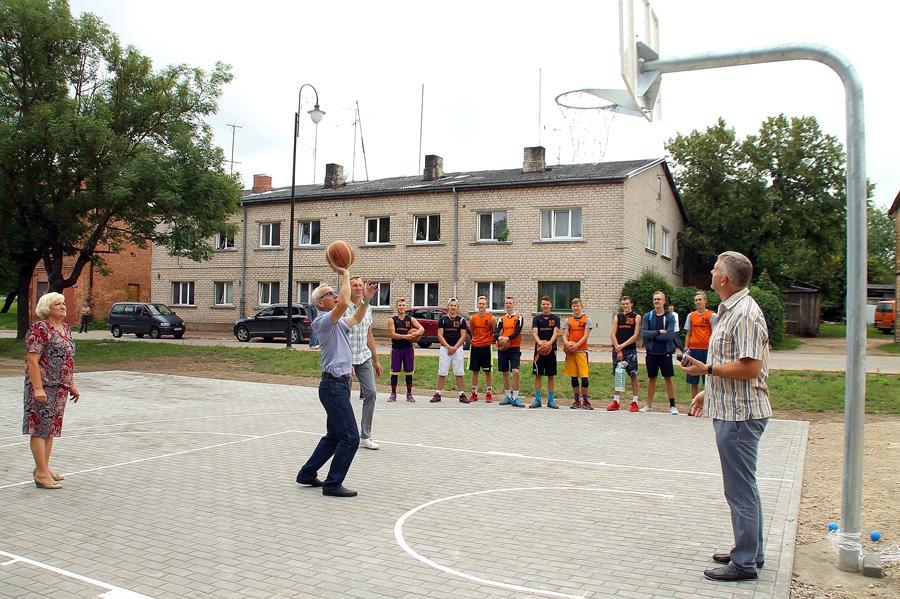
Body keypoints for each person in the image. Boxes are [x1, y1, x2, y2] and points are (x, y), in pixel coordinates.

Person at [682, 251, 771, 581]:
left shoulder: (744, 313)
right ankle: (752, 550)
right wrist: (710, 387)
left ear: (725, 280)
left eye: (716, 268)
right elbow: (734, 363)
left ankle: (745, 562)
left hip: (740, 417)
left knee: (739, 490)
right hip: (732, 409)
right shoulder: (730, 310)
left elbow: (751, 367)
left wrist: (708, 370)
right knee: (745, 487)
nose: (711, 270)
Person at [296, 269, 376, 497]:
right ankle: (332, 484)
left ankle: (307, 474)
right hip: (333, 387)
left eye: (334, 293)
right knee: (350, 437)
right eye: (329, 294)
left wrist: (366, 301)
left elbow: (358, 317)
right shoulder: (323, 320)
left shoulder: (338, 322)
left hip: (338, 385)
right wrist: (344, 273)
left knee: (334, 436)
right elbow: (343, 303)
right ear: (320, 303)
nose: (335, 296)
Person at [24, 292, 80, 489]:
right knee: (39, 428)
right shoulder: (40, 328)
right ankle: (41, 473)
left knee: (50, 429)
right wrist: (38, 389)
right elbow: (32, 360)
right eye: (58, 304)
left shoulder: (65, 329)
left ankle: (44, 468)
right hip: (43, 386)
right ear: (47, 308)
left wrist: (71, 384)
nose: (63, 306)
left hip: (59, 387)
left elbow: (67, 360)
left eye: (63, 303)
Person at [346, 277, 383, 450]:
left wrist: (376, 360)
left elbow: (369, 335)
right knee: (343, 398)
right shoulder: (343, 307)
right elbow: (341, 336)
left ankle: (365, 436)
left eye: (361, 285)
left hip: (364, 356)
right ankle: (341, 433)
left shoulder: (368, 308)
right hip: (346, 358)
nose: (359, 288)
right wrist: (346, 360)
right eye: (355, 285)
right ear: (349, 288)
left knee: (371, 392)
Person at [640, 291, 678, 414]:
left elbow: (670, 334)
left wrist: (654, 337)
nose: (656, 301)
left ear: (664, 301)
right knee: (652, 378)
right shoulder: (648, 316)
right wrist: (657, 332)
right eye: (655, 299)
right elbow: (644, 333)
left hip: (665, 352)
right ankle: (649, 405)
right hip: (651, 352)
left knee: (668, 378)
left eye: (659, 299)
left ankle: (673, 405)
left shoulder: (669, 317)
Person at [430, 298, 470, 403]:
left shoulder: (461, 320)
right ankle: (438, 394)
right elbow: (440, 335)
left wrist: (455, 348)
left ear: (457, 307)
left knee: (459, 372)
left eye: (455, 305)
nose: (453, 307)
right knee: (442, 371)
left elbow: (463, 336)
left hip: (458, 349)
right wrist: (448, 347)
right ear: (448, 306)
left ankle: (462, 394)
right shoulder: (443, 320)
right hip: (445, 349)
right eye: (451, 305)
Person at [608, 296, 642, 412]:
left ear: (631, 304)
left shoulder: (636, 317)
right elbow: (612, 334)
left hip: (630, 350)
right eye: (623, 304)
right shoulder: (618, 317)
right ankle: (616, 401)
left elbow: (636, 335)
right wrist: (618, 349)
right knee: (618, 374)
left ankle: (635, 402)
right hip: (618, 350)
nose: (625, 306)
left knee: (633, 375)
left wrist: (622, 346)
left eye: (627, 303)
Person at [387, 298, 424, 402]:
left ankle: (409, 394)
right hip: (397, 349)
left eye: (403, 305)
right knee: (394, 372)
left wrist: (415, 334)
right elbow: (393, 334)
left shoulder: (410, 319)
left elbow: (422, 329)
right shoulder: (392, 320)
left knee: (409, 372)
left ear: (406, 307)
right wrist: (405, 337)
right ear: (396, 307)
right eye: (399, 305)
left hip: (408, 349)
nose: (401, 307)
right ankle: (393, 394)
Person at [684, 291, 718, 399]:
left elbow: (715, 332)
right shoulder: (691, 315)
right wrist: (686, 348)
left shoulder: (712, 315)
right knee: (693, 378)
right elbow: (689, 333)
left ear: (705, 301)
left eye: (700, 299)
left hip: (706, 349)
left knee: (707, 377)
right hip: (694, 349)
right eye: (696, 300)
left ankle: (707, 402)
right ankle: (695, 402)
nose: (698, 302)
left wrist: (714, 348)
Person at [563, 298, 593, 409]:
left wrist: (576, 345)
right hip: (571, 352)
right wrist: (567, 343)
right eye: (574, 306)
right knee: (574, 377)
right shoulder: (568, 320)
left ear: (581, 307)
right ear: (572, 307)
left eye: (578, 306)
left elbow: (585, 335)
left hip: (582, 351)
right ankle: (576, 400)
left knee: (584, 377)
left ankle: (585, 400)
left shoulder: (587, 320)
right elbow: (565, 335)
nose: (576, 308)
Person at [530, 296, 560, 409]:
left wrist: (549, 344)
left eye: (547, 304)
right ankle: (537, 399)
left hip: (551, 350)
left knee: (551, 375)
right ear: (541, 305)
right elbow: (534, 333)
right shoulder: (536, 319)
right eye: (543, 304)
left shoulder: (556, 318)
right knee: (538, 375)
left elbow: (556, 333)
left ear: (551, 305)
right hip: (539, 350)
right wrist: (540, 343)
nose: (545, 306)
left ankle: (551, 400)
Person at [495, 296, 525, 407]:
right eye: (506, 303)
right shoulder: (502, 319)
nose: (508, 305)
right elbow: (496, 332)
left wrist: (507, 338)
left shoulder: (519, 317)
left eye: (510, 303)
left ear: (514, 304)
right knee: (505, 372)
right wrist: (500, 339)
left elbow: (517, 331)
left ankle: (516, 397)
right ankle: (507, 396)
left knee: (515, 371)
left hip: (514, 348)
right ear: (504, 305)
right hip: (503, 348)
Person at [467, 296, 497, 403]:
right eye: (479, 303)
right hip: (475, 346)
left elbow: (494, 331)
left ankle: (489, 393)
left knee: (488, 371)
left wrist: (489, 341)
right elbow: (472, 331)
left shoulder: (491, 318)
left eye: (483, 303)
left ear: (487, 305)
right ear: (477, 305)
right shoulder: (473, 318)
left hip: (486, 347)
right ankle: (474, 393)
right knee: (475, 371)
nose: (481, 305)